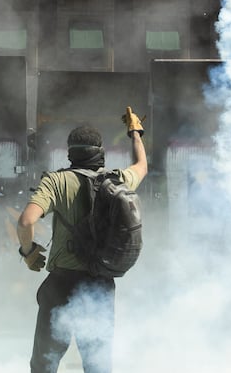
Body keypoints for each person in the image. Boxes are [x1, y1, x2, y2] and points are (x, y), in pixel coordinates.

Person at [17, 107, 148, 373]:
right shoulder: (117, 181)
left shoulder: (55, 182)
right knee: (97, 364)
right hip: (99, 286)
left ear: (70, 153)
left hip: (62, 284)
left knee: (45, 364)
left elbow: (26, 221)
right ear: (100, 152)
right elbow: (142, 166)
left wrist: (29, 252)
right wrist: (135, 132)